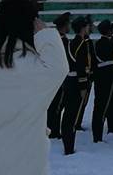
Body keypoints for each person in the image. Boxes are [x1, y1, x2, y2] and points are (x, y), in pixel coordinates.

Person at [0, 0, 68, 175]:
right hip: (24, 164)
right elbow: (59, 67)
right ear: (32, 25)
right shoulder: (33, 66)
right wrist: (45, 34)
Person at [61, 16, 91, 155]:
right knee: (72, 117)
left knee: (69, 115)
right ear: (83, 28)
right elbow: (81, 65)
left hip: (70, 80)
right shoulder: (81, 43)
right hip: (76, 82)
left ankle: (68, 145)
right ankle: (69, 147)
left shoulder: (73, 42)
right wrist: (83, 86)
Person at [91, 19, 113, 142]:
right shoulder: (108, 43)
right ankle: (98, 136)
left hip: (100, 78)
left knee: (99, 106)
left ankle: (97, 135)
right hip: (107, 77)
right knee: (102, 107)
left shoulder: (100, 43)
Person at [47, 11, 71, 139]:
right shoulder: (62, 41)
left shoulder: (54, 39)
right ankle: (54, 130)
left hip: (53, 76)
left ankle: (53, 128)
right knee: (57, 105)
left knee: (55, 105)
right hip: (59, 77)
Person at [75, 16, 95, 132]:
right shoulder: (82, 42)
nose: (90, 28)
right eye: (88, 26)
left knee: (84, 102)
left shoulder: (86, 41)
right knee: (80, 101)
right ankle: (76, 123)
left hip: (87, 75)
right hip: (83, 75)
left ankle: (78, 121)